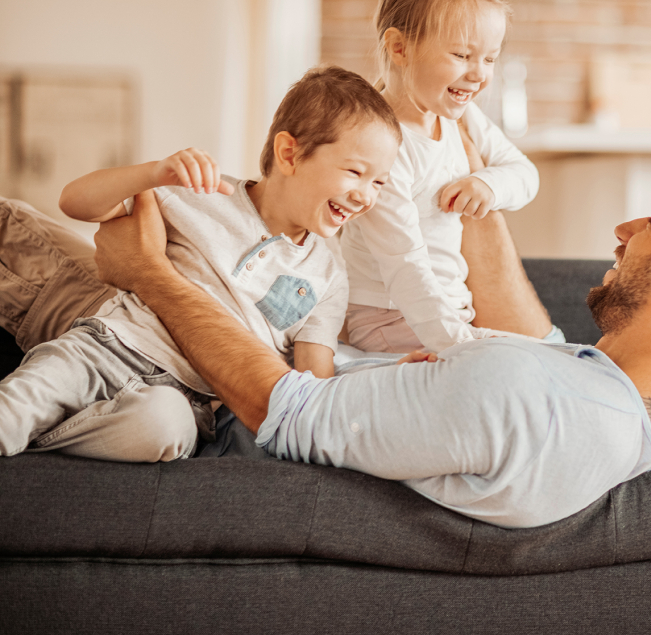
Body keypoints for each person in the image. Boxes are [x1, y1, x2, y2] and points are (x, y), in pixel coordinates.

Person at [92, 152, 651, 527]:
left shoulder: (520, 400)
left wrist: (153, 274)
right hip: (258, 334)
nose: (624, 234)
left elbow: (283, 409)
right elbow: (533, 344)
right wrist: (472, 183)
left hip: (192, 391)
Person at [0, 66, 400, 462]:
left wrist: (389, 376)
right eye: (355, 172)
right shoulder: (199, 194)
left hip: (183, 401)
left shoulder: (328, 277)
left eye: (379, 183)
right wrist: (155, 173)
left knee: (164, 429)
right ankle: (27, 423)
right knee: (13, 412)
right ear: (289, 153)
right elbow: (74, 201)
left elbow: (315, 387)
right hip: (106, 347)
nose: (366, 196)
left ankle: (41, 440)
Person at [341, 0, 561, 354]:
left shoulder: (462, 119)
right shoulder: (381, 144)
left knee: (537, 362)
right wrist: (458, 346)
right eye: (461, 55)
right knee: (518, 366)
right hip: (390, 318)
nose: (479, 74)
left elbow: (525, 173)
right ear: (400, 47)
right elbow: (403, 265)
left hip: (446, 312)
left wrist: (488, 183)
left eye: (490, 58)